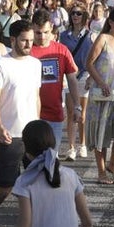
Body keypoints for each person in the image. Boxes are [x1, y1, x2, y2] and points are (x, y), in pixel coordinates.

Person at [0, 20, 42, 212]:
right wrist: (0, 128)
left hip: (32, 136)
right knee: (4, 187)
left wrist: (38, 125)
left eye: (31, 40)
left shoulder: (35, 64)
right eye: (24, 41)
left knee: (39, 183)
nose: (29, 45)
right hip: (9, 135)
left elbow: (36, 97)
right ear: (13, 40)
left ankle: (34, 225)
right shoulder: (1, 64)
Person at [84, 8, 114, 185]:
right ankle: (102, 172)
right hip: (103, 93)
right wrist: (101, 83)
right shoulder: (102, 38)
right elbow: (89, 63)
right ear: (110, 22)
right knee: (101, 132)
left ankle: (112, 164)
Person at [30, 10, 80, 151]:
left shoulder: (61, 50)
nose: (42, 37)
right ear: (32, 28)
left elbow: (72, 79)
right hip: (31, 114)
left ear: (51, 27)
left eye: (45, 32)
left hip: (54, 114)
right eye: (38, 33)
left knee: (52, 158)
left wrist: (77, 106)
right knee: (32, 160)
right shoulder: (26, 50)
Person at [59, 5, 94, 161]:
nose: (75, 16)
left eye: (79, 13)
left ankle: (83, 144)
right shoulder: (64, 35)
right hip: (69, 75)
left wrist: (92, 76)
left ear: (84, 16)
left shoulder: (90, 35)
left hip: (84, 74)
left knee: (83, 113)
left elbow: (94, 58)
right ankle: (71, 147)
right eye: (73, 13)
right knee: (71, 111)